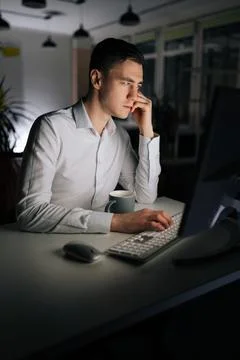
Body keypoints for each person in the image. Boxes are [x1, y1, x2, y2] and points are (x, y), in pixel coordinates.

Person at [16, 37, 173, 234]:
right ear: (97, 79)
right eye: (126, 83)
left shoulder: (120, 137)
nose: (134, 96)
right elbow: (30, 213)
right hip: (46, 244)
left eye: (138, 86)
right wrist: (116, 222)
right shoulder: (51, 128)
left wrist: (146, 129)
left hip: (97, 243)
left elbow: (145, 196)